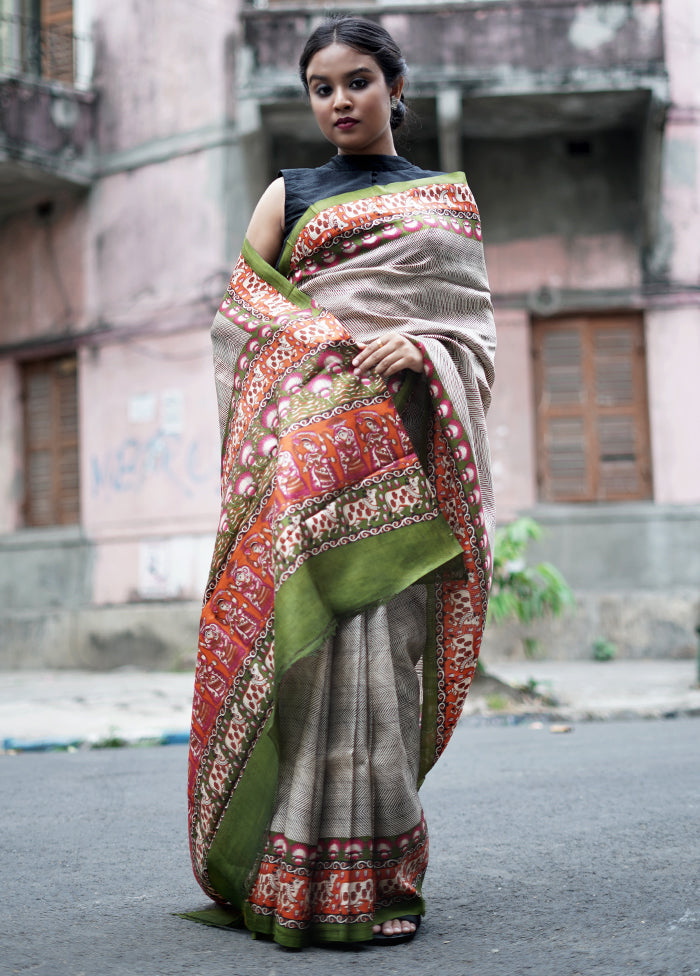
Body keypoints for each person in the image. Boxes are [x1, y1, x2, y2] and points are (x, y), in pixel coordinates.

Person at [184, 16, 496, 949]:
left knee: (388, 674)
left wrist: (428, 346)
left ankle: (379, 879)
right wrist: (329, 348)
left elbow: (474, 340)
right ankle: (293, 880)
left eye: (356, 81)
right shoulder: (291, 193)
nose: (339, 103)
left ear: (395, 87)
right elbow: (241, 324)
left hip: (401, 470)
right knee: (311, 665)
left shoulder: (446, 201)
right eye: (321, 88)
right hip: (314, 470)